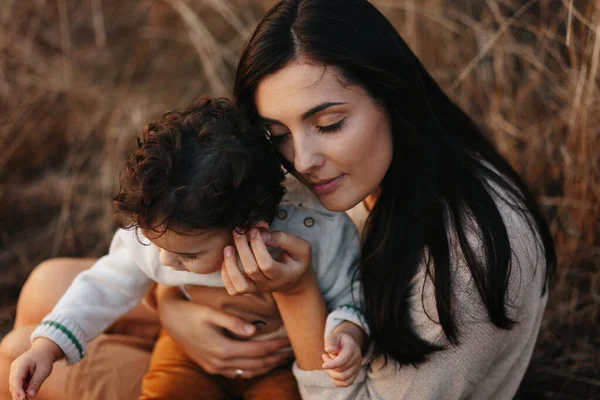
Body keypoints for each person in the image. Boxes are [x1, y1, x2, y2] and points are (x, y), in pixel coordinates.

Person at [224, 0, 557, 399]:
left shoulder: (465, 259)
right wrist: (177, 313)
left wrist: (295, 294)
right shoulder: (370, 173)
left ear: (391, 96)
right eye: (278, 134)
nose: (302, 161)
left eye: (329, 125)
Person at [6, 96, 366, 400]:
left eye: (187, 255)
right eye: (156, 244)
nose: (165, 262)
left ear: (249, 227)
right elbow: (104, 285)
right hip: (184, 355)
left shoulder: (317, 231)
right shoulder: (164, 226)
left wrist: (346, 332)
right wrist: (47, 347)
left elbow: (348, 292)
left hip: (277, 365)